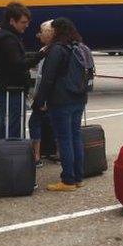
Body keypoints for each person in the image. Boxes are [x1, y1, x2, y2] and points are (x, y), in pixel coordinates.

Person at [33, 18, 90, 192]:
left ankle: (68, 180)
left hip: (61, 100)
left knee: (64, 139)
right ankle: (78, 177)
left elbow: (48, 78)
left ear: (57, 30)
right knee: (75, 137)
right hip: (79, 98)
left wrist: (39, 100)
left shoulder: (57, 49)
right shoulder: (80, 47)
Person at [0, 2, 42, 139]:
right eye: (23, 22)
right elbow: (18, 64)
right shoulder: (7, 39)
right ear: (12, 21)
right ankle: (12, 157)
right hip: (10, 90)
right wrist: (40, 56)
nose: (27, 25)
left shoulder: (6, 36)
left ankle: (7, 155)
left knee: (8, 126)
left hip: (8, 89)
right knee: (13, 129)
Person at [29, 20, 55, 167]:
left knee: (34, 123)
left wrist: (41, 99)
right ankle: (56, 152)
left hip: (46, 97)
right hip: (54, 96)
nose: (38, 35)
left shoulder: (47, 51)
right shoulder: (60, 49)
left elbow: (44, 77)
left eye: (42, 32)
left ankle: (36, 155)